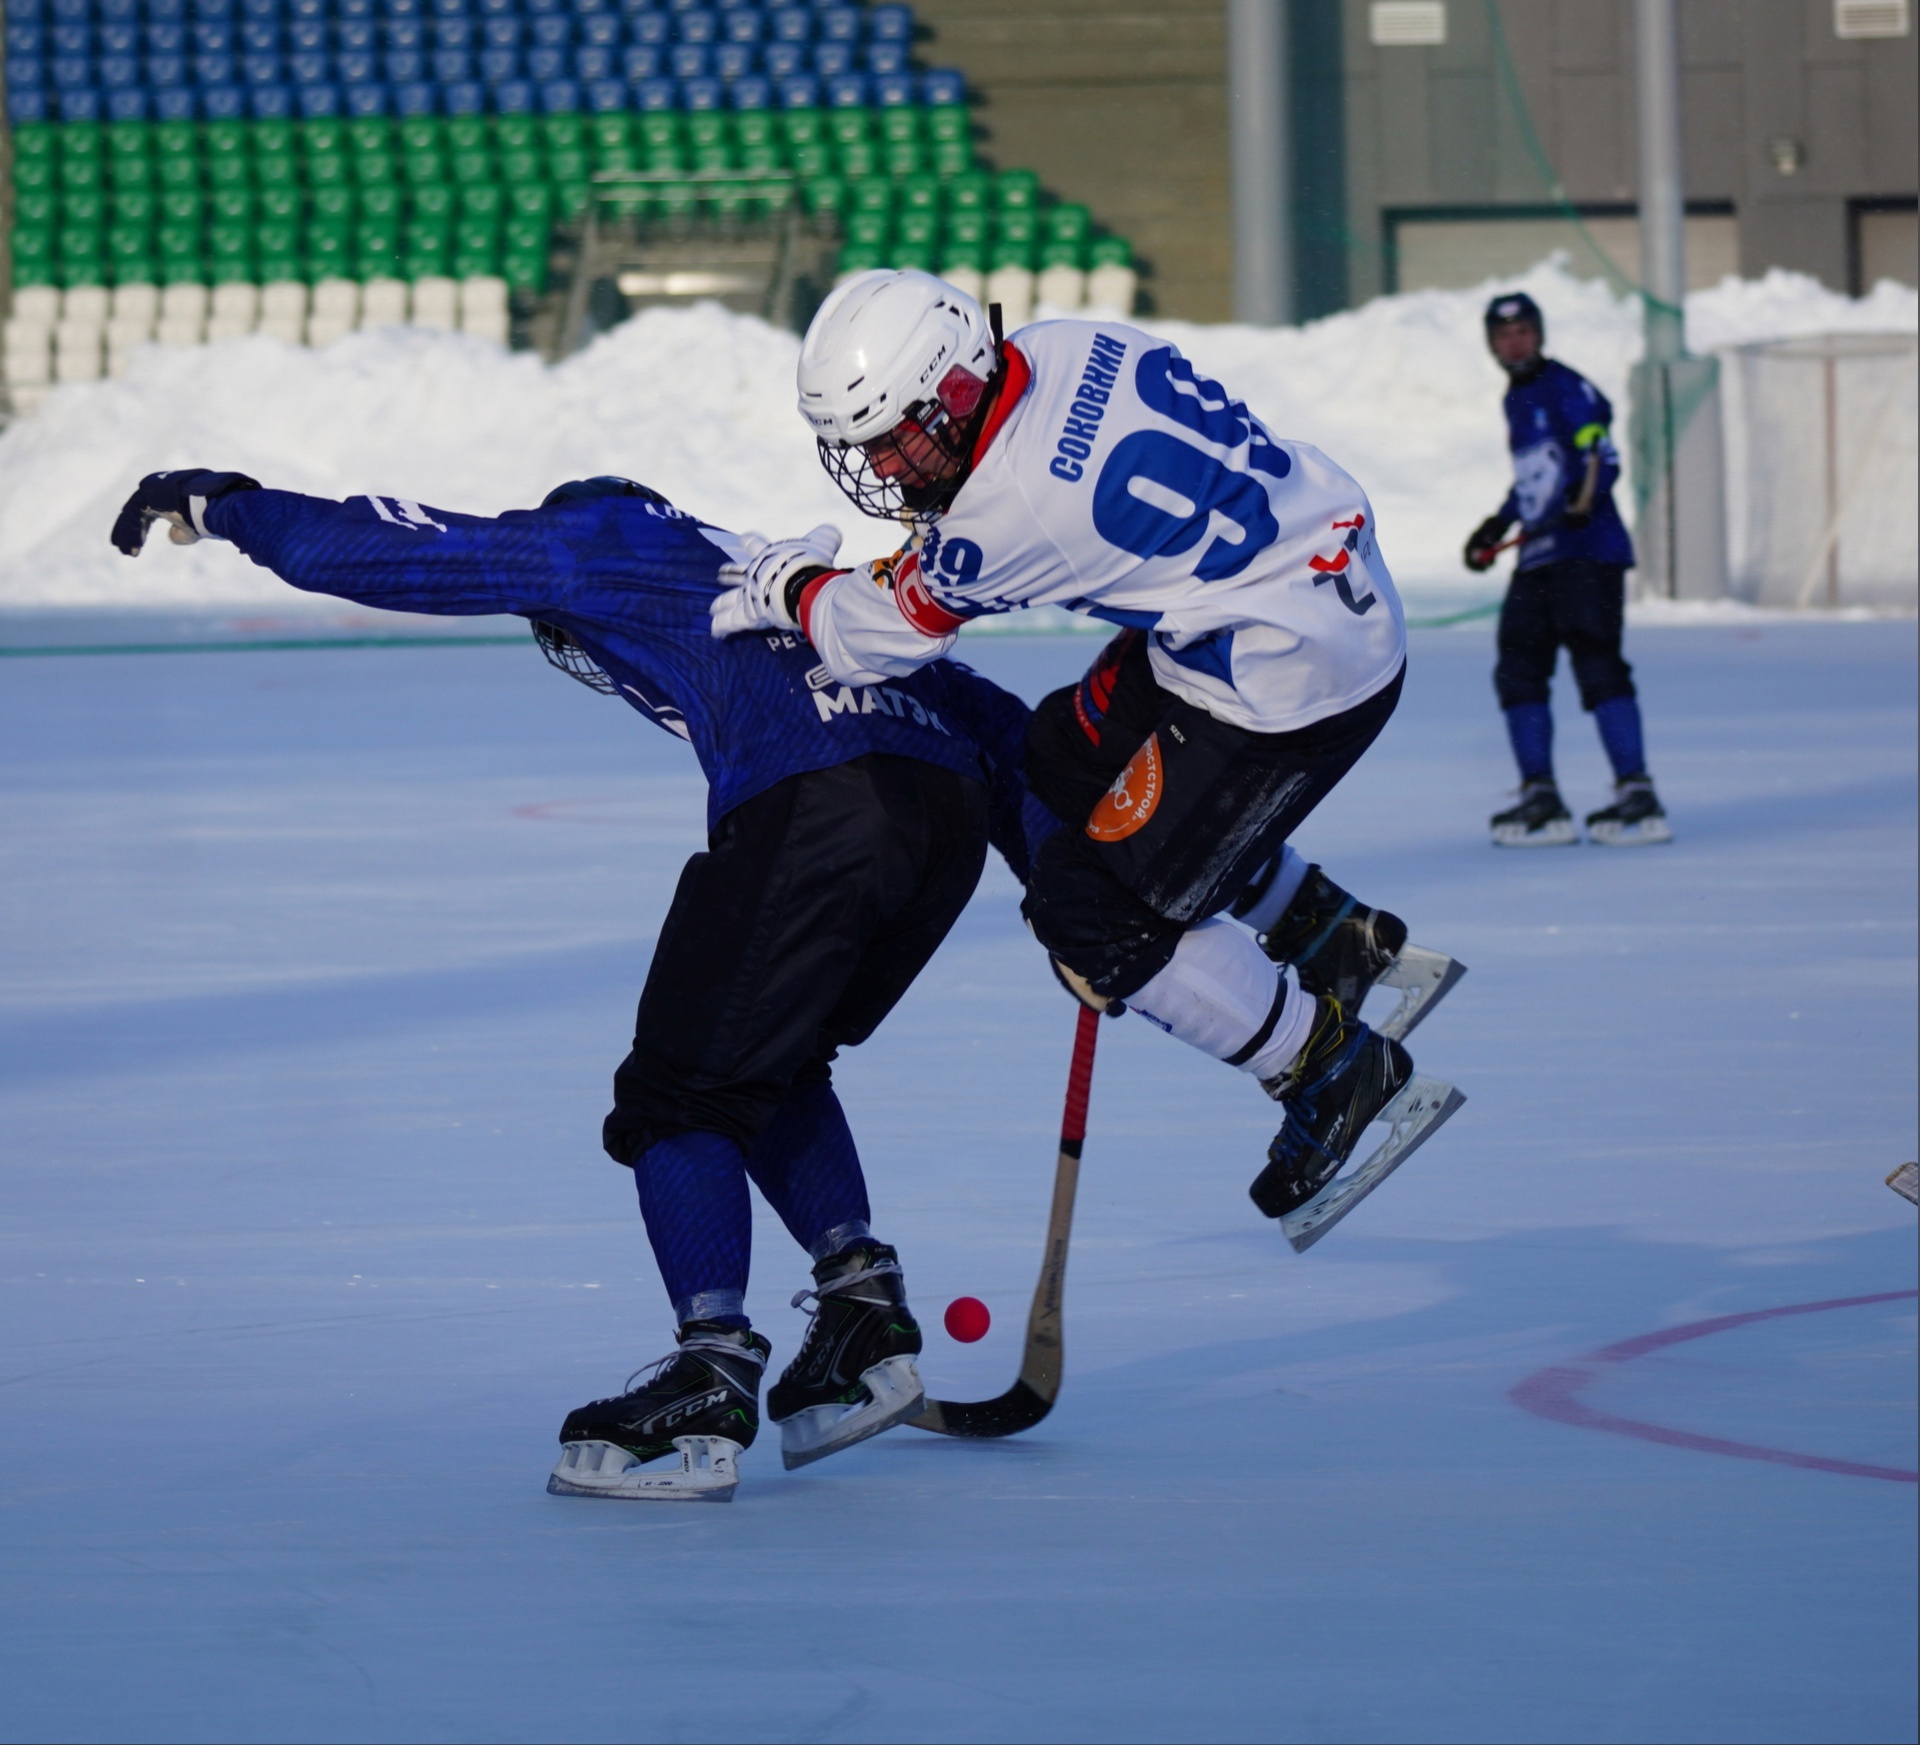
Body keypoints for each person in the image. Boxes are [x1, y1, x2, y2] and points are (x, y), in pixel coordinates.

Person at [109, 466, 1054, 1501]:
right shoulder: (771, 561)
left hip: (816, 806)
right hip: (940, 814)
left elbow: (403, 549)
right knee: (774, 1056)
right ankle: (859, 1314)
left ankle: (707, 1372)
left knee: (679, 1092)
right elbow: (991, 718)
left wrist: (229, 506)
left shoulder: (607, 536)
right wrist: (1067, 882)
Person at [710, 270, 1464, 1234]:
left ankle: (1333, 1071)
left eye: (894, 439)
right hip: (1285, 586)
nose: (888, 472)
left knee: (1089, 917)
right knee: (1059, 756)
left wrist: (796, 588)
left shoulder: (1006, 512)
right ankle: (1335, 937)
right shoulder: (1063, 345)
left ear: (953, 393)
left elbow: (874, 637)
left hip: (1289, 678)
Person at [1464, 290, 1672, 848]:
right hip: (1539, 558)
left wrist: (1586, 499)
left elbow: (1598, 453)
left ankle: (1636, 789)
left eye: (1524, 331)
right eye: (1504, 335)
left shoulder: (1566, 387)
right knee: (1518, 669)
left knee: (1596, 662)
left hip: (1586, 551)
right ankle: (1540, 794)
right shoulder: (1518, 399)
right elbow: (1537, 477)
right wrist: (1497, 524)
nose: (1515, 342)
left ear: (1541, 334)